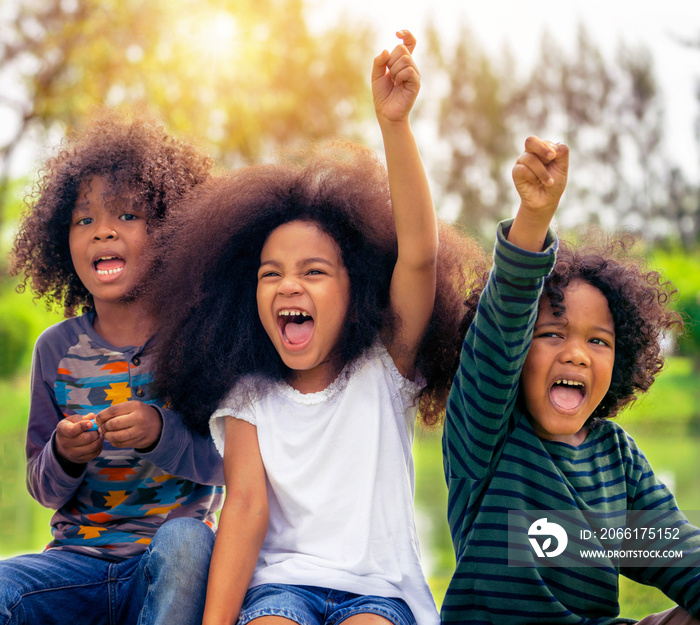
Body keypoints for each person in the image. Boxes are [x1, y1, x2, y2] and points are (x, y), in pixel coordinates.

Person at [147, 31, 483, 625]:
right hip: (281, 592)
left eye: (314, 271)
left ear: (356, 292)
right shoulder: (248, 395)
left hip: (382, 595)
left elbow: (420, 257)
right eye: (270, 274)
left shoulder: (386, 366)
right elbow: (244, 508)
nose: (288, 286)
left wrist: (395, 127)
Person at [441, 136, 700, 624]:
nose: (577, 354)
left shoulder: (614, 457)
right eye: (552, 334)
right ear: (519, 351)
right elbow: (500, 328)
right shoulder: (485, 436)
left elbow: (672, 548)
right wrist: (533, 220)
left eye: (598, 342)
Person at [1, 111, 225, 625]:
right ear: (63, 241)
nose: (102, 231)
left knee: (190, 540)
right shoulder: (54, 351)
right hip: (75, 566)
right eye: (84, 219)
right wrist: (63, 452)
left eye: (127, 215)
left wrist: (159, 433)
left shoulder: (198, 342)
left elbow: (227, 463)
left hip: (165, 568)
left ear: (171, 231)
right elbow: (42, 486)